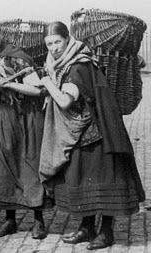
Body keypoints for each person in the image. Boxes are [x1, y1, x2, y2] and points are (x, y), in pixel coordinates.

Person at [39, 21, 145, 250]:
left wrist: (47, 83)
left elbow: (66, 101)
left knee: (104, 181)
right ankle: (87, 228)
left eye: (57, 41)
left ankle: (106, 232)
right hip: (80, 133)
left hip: (98, 133)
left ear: (67, 40)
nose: (54, 47)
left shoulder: (78, 66)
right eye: (49, 44)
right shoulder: (63, 63)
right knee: (81, 178)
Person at [0, 18, 49, 239]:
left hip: (25, 116)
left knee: (29, 164)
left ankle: (38, 220)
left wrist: (11, 84)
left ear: (0, 34)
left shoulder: (17, 57)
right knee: (3, 168)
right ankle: (10, 220)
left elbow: (37, 90)